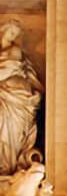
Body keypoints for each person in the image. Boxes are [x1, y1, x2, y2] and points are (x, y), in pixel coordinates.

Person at [0, 20, 43, 175]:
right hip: (5, 96)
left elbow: (11, 68)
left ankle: (8, 165)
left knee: (11, 131)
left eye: (16, 34)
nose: (13, 37)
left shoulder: (16, 51)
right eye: (11, 32)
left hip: (17, 99)